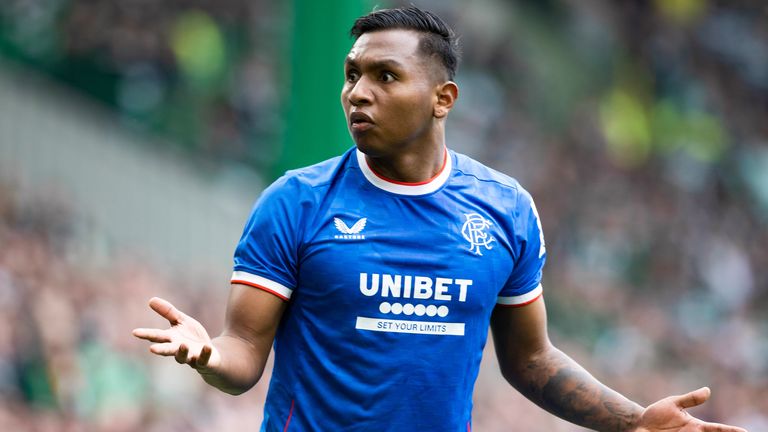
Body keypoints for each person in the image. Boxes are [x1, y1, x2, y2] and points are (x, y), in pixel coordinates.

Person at [133, 6, 748, 432]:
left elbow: (531, 360)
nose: (357, 92)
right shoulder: (295, 202)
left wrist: (632, 420)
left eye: (384, 76)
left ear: (442, 98)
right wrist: (206, 354)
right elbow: (242, 355)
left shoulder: (505, 210)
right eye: (352, 75)